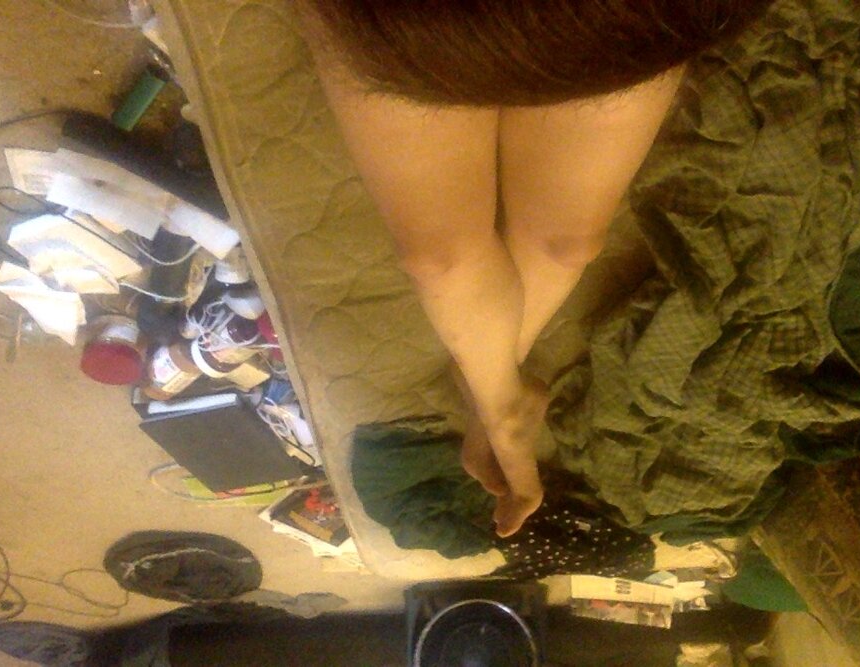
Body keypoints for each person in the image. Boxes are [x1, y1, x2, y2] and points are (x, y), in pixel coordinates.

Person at [296, 1, 774, 537]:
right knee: (439, 259)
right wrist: (499, 411)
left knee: (567, 245)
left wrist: (495, 392)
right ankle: (501, 401)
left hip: (600, 17)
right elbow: (443, 262)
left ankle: (496, 386)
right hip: (416, 20)